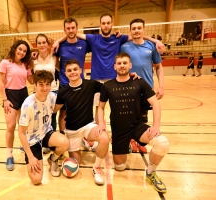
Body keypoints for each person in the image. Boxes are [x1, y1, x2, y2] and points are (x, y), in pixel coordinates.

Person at [53, 14, 164, 149]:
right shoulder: (93, 38)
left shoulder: (119, 38)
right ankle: (96, 137)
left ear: (112, 25)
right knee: (97, 109)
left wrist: (155, 41)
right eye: (103, 23)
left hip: (113, 79)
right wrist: (58, 40)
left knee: (119, 109)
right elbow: (72, 34)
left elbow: (137, 37)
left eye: (108, 23)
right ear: (100, 25)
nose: (105, 25)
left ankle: (127, 136)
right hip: (97, 79)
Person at [97, 52, 170, 193]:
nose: (122, 66)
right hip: (118, 130)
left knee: (162, 143)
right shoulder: (107, 86)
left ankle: (150, 172)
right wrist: (101, 123)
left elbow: (155, 104)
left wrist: (156, 126)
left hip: (138, 126)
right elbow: (100, 107)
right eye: (119, 63)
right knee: (120, 167)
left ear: (130, 65)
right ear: (114, 66)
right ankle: (127, 145)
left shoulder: (139, 82)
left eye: (125, 63)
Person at [54, 59, 109, 185]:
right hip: (72, 130)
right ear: (65, 73)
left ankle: (97, 168)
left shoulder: (90, 85)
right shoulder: (63, 91)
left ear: (80, 70)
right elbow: (54, 110)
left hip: (88, 126)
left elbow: (109, 86)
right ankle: (83, 141)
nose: (72, 72)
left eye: (75, 69)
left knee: (105, 138)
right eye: (69, 70)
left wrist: (131, 76)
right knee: (75, 162)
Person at [121, 18, 164, 153]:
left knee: (143, 117)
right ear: (130, 31)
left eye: (139, 28)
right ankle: (131, 140)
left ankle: (140, 140)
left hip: (146, 88)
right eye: (134, 28)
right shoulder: (124, 46)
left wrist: (161, 86)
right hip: (129, 88)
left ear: (144, 29)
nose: (136, 31)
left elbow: (159, 67)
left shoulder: (151, 47)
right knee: (129, 116)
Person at [18, 70, 69, 185]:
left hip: (46, 133)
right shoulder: (28, 105)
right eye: (41, 84)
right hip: (32, 141)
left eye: (47, 84)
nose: (45, 88)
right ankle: (34, 156)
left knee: (65, 142)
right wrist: (31, 157)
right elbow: (21, 134)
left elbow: (56, 108)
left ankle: (52, 159)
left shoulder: (52, 97)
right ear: (35, 85)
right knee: (36, 180)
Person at [53, 17, 95, 149]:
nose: (71, 30)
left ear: (77, 28)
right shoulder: (60, 46)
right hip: (65, 84)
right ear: (64, 30)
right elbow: (56, 63)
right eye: (68, 28)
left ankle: (82, 137)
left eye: (73, 28)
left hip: (81, 85)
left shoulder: (84, 44)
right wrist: (65, 73)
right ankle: (63, 137)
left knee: (80, 112)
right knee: (63, 112)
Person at [0, 40, 34, 171]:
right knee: (11, 126)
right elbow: (0, 82)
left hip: (23, 94)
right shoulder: (5, 63)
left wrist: (34, 66)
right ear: (14, 48)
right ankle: (9, 155)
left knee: (23, 125)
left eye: (24, 51)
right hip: (10, 95)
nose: (22, 52)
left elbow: (31, 80)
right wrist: (5, 99)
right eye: (20, 49)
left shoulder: (25, 64)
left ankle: (23, 145)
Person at [32, 33, 60, 153]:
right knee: (39, 117)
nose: (42, 45)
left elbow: (60, 71)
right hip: (38, 92)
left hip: (52, 90)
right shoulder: (32, 59)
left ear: (48, 44)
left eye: (44, 42)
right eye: (39, 43)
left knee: (52, 116)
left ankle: (51, 142)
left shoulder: (54, 58)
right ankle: (40, 140)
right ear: (36, 45)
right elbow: (30, 76)